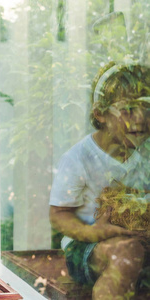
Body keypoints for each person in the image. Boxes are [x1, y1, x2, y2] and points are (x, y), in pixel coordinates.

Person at [49, 62, 150, 299]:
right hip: (87, 246)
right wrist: (95, 233)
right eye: (127, 110)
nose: (139, 119)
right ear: (101, 114)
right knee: (127, 254)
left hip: (142, 238)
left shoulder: (145, 152)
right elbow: (59, 215)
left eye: (145, 108)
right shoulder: (79, 158)